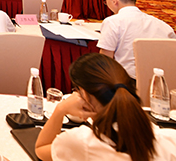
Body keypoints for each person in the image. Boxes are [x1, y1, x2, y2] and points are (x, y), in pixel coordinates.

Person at [35, 53, 176, 161]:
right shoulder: (167, 138)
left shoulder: (82, 141)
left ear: (84, 94)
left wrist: (60, 109)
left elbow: (41, 149)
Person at [97, 0, 175, 79]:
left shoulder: (112, 22)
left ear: (114, 1)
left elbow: (106, 59)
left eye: (106, 1)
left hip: (127, 80)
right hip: (162, 80)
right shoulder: (162, 25)